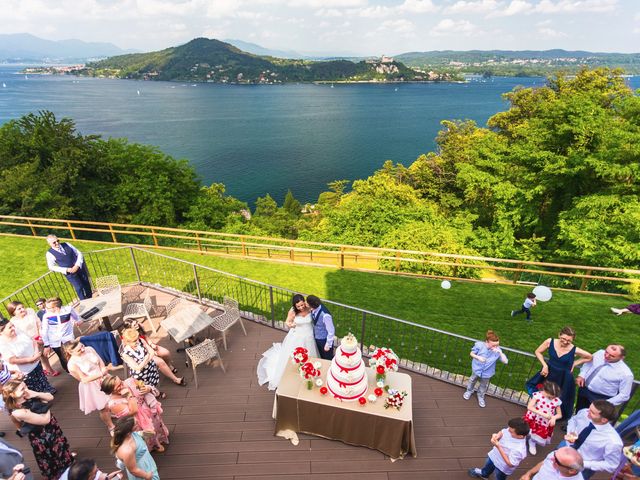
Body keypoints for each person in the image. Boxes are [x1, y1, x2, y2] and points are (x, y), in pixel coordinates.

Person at [2, 379, 73, 480]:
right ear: (13, 394)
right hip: (42, 437)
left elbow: (50, 397)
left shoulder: (29, 395)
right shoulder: (18, 412)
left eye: (25, 386)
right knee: (51, 454)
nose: (26, 389)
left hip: (51, 428)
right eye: (22, 389)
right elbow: (45, 419)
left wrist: (36, 394)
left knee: (60, 445)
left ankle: (67, 460)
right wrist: (46, 405)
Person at [526, 327, 592, 422]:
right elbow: (538, 351)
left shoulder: (575, 349)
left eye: (569, 341)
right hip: (549, 372)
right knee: (543, 392)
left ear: (573, 340)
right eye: (563, 339)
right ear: (559, 335)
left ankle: (554, 416)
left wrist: (574, 363)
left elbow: (589, 357)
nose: (565, 342)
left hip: (564, 377)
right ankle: (539, 410)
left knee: (561, 397)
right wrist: (544, 365)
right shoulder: (550, 341)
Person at [257, 294, 320, 390]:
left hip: (309, 335)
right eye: (298, 306)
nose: (301, 307)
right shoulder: (292, 311)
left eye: (302, 305)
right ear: (295, 306)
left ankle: (309, 371)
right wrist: (292, 325)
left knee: (311, 352)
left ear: (304, 302)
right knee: (295, 355)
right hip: (297, 335)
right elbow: (287, 322)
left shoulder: (308, 307)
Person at [101, 375, 169, 453]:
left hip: (149, 410)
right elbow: (134, 411)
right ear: (111, 391)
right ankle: (154, 445)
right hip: (138, 422)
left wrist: (147, 388)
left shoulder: (130, 381)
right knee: (147, 434)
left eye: (121, 382)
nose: (122, 385)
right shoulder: (113, 404)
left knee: (156, 425)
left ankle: (160, 438)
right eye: (118, 386)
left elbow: (142, 385)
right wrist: (129, 395)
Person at [64, 339, 116, 434]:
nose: (83, 349)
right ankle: (111, 426)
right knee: (103, 407)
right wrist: (100, 374)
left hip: (103, 376)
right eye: (79, 350)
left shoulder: (89, 349)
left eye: (82, 346)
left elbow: (100, 361)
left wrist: (103, 370)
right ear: (70, 352)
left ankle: (111, 412)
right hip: (92, 384)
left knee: (111, 398)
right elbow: (83, 379)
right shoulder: (71, 364)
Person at [564, 400, 623, 479]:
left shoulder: (613, 441)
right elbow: (573, 420)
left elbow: (611, 465)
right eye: (589, 408)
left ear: (604, 420)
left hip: (583, 466)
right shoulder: (584, 412)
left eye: (592, 412)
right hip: (565, 447)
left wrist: (582, 464)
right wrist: (571, 432)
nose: (587, 411)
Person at [0, 320, 56, 394]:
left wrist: (36, 353)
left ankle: (47, 389)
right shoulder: (3, 344)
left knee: (42, 379)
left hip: (36, 362)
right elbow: (12, 360)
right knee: (34, 388)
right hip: (25, 371)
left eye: (13, 325)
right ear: (1, 332)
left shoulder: (18, 330)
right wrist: (30, 359)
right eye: (10, 327)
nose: (13, 328)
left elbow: (33, 340)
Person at [575, 344, 633, 413]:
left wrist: (605, 403)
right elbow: (588, 363)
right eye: (606, 352)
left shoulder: (626, 374)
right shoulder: (600, 353)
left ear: (622, 358)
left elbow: (624, 395)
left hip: (601, 398)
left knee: (593, 419)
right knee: (579, 412)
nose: (606, 356)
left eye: (612, 356)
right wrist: (582, 375)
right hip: (584, 389)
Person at [6, 301, 58, 377]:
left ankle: (48, 369)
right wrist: (36, 341)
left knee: (44, 354)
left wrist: (41, 335)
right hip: (29, 341)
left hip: (39, 335)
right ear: (13, 312)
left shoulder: (30, 311)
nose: (22, 309)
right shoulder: (13, 322)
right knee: (37, 356)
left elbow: (38, 323)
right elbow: (22, 335)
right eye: (19, 309)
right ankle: (45, 370)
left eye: (23, 307)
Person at [122, 318, 180, 383]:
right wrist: (149, 352)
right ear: (129, 328)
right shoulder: (128, 337)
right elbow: (131, 351)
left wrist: (151, 344)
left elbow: (146, 337)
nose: (137, 325)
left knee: (166, 352)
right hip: (143, 354)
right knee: (160, 362)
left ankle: (169, 366)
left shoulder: (140, 327)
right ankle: (175, 379)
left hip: (148, 346)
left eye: (136, 322)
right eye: (134, 325)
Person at [463, 330, 508, 408]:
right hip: (477, 369)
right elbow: (471, 353)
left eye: (497, 345)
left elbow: (505, 361)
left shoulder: (498, 350)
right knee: (472, 380)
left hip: (487, 372)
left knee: (483, 385)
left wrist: (500, 353)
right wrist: (478, 357)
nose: (495, 347)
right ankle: (469, 391)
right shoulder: (479, 345)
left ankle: (480, 396)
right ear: (486, 342)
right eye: (493, 345)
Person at [45, 234, 93, 300]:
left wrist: (77, 265)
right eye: (54, 242)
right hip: (69, 273)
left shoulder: (67, 244)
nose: (57, 243)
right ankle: (83, 301)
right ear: (49, 243)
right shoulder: (49, 254)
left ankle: (90, 298)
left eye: (58, 241)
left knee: (86, 283)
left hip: (79, 267)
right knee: (78, 287)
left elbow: (79, 253)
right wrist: (66, 269)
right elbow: (51, 267)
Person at [40, 297, 81, 372]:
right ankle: (70, 372)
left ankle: (79, 369)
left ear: (55, 308)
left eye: (48, 307)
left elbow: (77, 317)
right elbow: (44, 331)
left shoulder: (68, 310)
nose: (45, 309)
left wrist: (78, 321)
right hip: (55, 341)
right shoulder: (46, 316)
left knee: (75, 354)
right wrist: (47, 345)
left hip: (68, 339)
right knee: (63, 358)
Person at [524, 381, 562, 455]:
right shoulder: (537, 395)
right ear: (544, 391)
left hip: (544, 421)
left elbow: (559, 414)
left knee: (537, 433)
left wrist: (554, 418)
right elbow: (529, 407)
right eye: (549, 397)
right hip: (534, 417)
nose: (551, 399)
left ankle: (532, 442)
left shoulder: (556, 400)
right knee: (527, 429)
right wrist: (543, 414)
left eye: (553, 397)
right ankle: (521, 439)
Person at [519, 446, 584, 480]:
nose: (552, 459)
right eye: (554, 455)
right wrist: (528, 474)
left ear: (571, 471)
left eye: (557, 461)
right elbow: (543, 463)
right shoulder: (555, 456)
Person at [306, 294, 335, 361]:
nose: (305, 303)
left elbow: (331, 330)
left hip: (324, 340)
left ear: (311, 305)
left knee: (327, 358)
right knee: (320, 356)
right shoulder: (313, 308)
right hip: (317, 337)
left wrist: (328, 344)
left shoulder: (325, 315)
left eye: (307, 302)